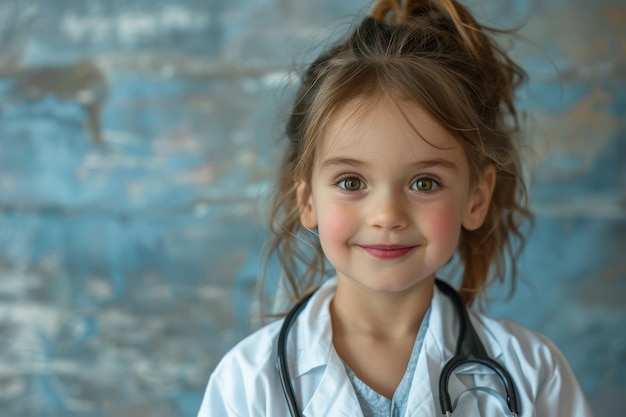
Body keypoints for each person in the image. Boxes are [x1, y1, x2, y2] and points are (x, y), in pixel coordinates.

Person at [197, 0, 594, 415]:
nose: (387, 215)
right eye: (351, 182)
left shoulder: (532, 372)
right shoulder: (245, 382)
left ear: (476, 198)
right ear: (307, 201)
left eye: (425, 183)